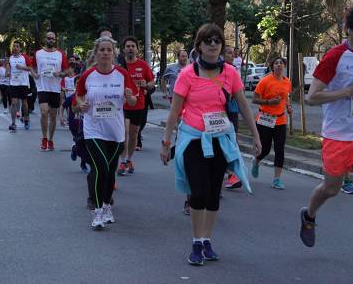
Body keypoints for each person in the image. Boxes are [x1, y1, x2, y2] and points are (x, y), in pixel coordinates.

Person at [160, 23, 261, 266]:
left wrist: (256, 135)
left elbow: (244, 106)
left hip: (220, 139)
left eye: (217, 41)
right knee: (200, 191)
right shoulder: (188, 75)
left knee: (214, 193)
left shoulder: (230, 73)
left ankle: (206, 240)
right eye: (208, 41)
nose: (213, 44)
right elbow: (175, 112)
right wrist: (166, 142)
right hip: (194, 138)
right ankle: (196, 241)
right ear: (199, 46)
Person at [300, 4, 353, 278]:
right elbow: (311, 97)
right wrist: (348, 91)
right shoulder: (335, 56)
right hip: (337, 136)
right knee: (331, 188)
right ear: (348, 30)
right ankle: (309, 214)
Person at [75, 36, 138, 229]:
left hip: (116, 132)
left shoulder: (121, 74)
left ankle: (107, 204)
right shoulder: (88, 75)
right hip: (93, 129)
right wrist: (81, 104)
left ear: (114, 53)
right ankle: (97, 211)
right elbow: (78, 96)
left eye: (108, 50)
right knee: (100, 168)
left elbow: (133, 100)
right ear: (96, 53)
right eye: (101, 50)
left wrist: (130, 97)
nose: (105, 53)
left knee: (110, 172)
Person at [250, 57, 292, 189]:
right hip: (265, 119)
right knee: (265, 148)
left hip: (280, 120)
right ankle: (256, 161)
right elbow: (254, 99)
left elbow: (286, 97)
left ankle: (277, 179)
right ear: (272, 66)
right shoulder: (265, 81)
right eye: (276, 63)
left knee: (280, 149)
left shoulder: (287, 81)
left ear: (284, 67)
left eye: (281, 63)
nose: (279, 65)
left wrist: (288, 107)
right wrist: (268, 102)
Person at [117, 36, 155, 175]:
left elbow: (151, 82)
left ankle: (128, 159)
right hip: (122, 105)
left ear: (137, 49)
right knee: (124, 133)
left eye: (133, 46)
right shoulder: (119, 67)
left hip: (138, 105)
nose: (130, 48)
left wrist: (146, 85)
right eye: (128, 46)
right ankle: (122, 161)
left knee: (133, 134)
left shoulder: (143, 65)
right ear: (123, 50)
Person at [31, 31, 68, 150]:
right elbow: (31, 67)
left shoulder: (60, 54)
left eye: (53, 39)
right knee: (43, 112)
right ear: (45, 39)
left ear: (55, 40)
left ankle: (51, 139)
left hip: (55, 89)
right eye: (49, 38)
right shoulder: (38, 53)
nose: (51, 40)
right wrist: (34, 74)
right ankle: (44, 137)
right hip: (42, 87)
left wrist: (60, 73)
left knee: (53, 116)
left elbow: (66, 71)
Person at [223, 45, 243, 189]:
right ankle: (231, 174)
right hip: (221, 112)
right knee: (224, 143)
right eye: (229, 53)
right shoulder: (218, 70)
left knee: (231, 142)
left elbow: (239, 93)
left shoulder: (234, 71)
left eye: (233, 54)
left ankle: (232, 174)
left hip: (233, 111)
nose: (232, 56)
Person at [6, 40, 33, 131]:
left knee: (24, 103)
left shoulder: (24, 57)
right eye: (14, 46)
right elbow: (8, 68)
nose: (15, 48)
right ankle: (13, 123)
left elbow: (30, 68)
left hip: (23, 83)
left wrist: (21, 67)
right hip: (13, 83)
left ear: (20, 48)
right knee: (13, 103)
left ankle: (26, 119)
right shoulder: (11, 58)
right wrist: (8, 72)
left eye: (17, 46)